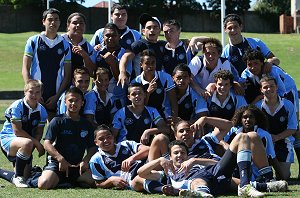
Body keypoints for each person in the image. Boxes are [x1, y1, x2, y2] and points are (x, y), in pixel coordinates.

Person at [137, 139, 284, 197]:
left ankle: (249, 186)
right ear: (170, 155)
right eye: (176, 153)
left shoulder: (194, 162)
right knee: (198, 179)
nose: (180, 155)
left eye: (183, 153)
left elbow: (217, 164)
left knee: (243, 138)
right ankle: (202, 194)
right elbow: (140, 173)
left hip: (216, 177)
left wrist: (195, 160)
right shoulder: (167, 173)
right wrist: (160, 160)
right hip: (201, 184)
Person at [38, 87, 97, 189]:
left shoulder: (86, 124)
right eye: (70, 100)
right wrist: (60, 159)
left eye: (77, 100)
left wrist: (85, 160)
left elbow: (92, 147)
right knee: (44, 184)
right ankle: (36, 176)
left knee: (93, 181)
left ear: (82, 103)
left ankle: (66, 181)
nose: (73, 103)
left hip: (76, 166)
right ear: (65, 102)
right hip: (58, 164)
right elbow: (47, 143)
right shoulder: (57, 120)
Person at [22, 8, 71, 122]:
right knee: (32, 131)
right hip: (35, 94)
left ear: (59, 22)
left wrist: (57, 96)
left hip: (55, 95)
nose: (53, 22)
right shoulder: (33, 41)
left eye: (56, 20)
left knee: (54, 133)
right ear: (43, 21)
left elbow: (67, 75)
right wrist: (33, 92)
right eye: (50, 19)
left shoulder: (65, 44)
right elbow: (25, 68)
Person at [0, 79, 47, 187]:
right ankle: (18, 177)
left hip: (27, 142)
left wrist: (33, 147)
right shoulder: (17, 106)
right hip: (8, 139)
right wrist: (37, 144)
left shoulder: (42, 111)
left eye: (37, 92)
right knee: (27, 143)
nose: (34, 95)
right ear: (25, 92)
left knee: (26, 180)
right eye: (31, 92)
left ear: (41, 94)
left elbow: (39, 132)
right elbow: (17, 131)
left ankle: (14, 175)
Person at [255, 76, 297, 180]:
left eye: (272, 86)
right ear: (261, 89)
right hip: (263, 143)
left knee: (283, 176)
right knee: (262, 176)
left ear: (277, 87)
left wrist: (277, 137)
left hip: (283, 142)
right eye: (265, 87)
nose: (269, 89)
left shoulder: (288, 105)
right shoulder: (257, 107)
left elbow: (293, 128)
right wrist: (268, 139)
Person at [89, 124, 149, 189]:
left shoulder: (127, 144)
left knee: (159, 139)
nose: (106, 140)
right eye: (101, 139)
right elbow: (98, 183)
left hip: (147, 169)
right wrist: (110, 181)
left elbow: (148, 149)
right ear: (96, 142)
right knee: (139, 180)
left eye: (108, 137)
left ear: (113, 137)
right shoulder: (95, 160)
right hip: (134, 181)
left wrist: (131, 158)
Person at [118, 13, 166, 87]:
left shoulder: (163, 45)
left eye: (155, 27)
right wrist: (122, 72)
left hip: (158, 83)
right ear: (143, 31)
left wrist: (186, 41)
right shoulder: (139, 44)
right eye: (149, 27)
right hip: (141, 85)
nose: (152, 30)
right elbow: (125, 57)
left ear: (159, 31)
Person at [131, 49, 178, 119]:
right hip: (145, 118)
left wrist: (174, 120)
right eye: (147, 63)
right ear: (141, 65)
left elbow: (173, 102)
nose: (151, 66)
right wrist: (148, 93)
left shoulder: (166, 78)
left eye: (153, 63)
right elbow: (139, 107)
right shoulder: (135, 82)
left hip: (164, 117)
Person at [95, 23, 130, 107]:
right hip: (98, 97)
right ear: (103, 37)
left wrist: (112, 64)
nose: (110, 38)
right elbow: (92, 73)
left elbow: (123, 81)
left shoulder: (125, 54)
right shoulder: (97, 52)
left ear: (119, 36)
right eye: (107, 35)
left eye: (114, 35)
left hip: (118, 99)